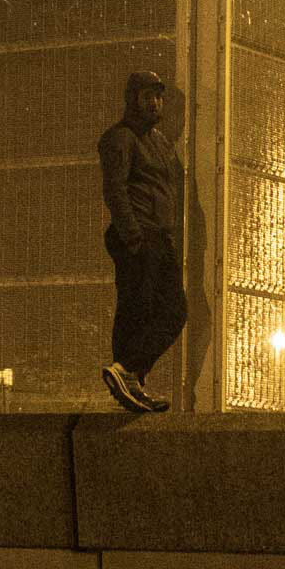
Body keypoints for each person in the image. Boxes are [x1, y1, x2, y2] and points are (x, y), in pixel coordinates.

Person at [97, 70, 185, 412]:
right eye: (148, 96)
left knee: (172, 311)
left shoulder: (160, 142)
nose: (155, 102)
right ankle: (127, 373)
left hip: (158, 237)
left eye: (159, 96)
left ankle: (129, 373)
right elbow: (115, 190)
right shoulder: (119, 138)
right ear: (133, 99)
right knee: (138, 307)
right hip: (140, 236)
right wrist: (133, 236)